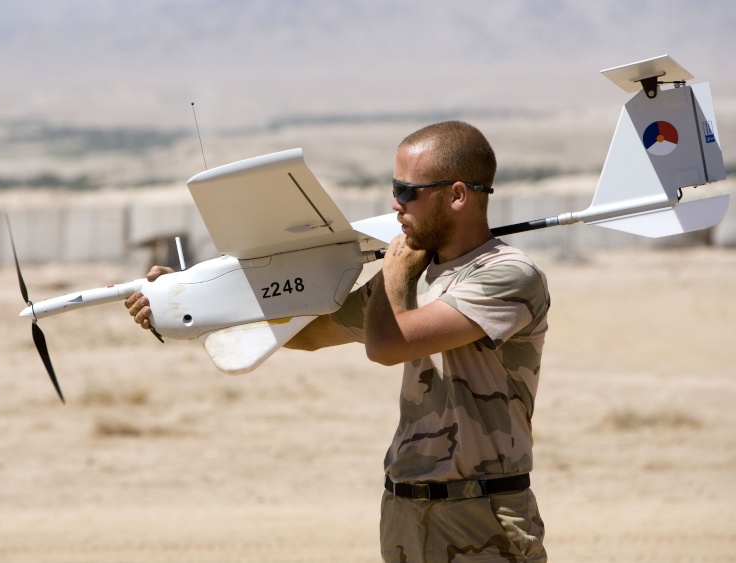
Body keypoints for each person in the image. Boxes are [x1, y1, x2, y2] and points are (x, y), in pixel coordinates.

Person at [126, 121, 550, 562]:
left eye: (407, 191)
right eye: (394, 187)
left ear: (458, 195)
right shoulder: (412, 276)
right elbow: (308, 332)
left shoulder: (507, 275)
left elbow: (387, 346)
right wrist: (194, 302)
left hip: (482, 515)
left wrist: (395, 272)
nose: (394, 203)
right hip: (408, 511)